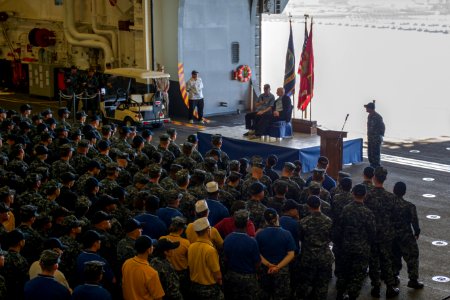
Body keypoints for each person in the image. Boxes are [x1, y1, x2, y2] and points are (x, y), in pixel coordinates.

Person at [334, 184, 376, 300]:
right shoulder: (368, 213)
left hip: (346, 247)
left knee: (343, 272)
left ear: (353, 194)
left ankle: (339, 294)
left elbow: (340, 228)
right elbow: (372, 233)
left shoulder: (346, 209)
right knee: (357, 275)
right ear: (365, 195)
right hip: (361, 249)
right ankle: (352, 296)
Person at [297, 196, 334, 300]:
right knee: (322, 285)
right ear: (320, 205)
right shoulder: (328, 221)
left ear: (308, 206)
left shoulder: (303, 222)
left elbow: (300, 238)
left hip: (308, 257)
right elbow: (331, 238)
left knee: (305, 283)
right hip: (324, 257)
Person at [256, 208, 295, 300]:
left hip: (265, 271)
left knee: (264, 295)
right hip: (282, 272)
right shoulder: (287, 234)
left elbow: (257, 253)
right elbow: (291, 254)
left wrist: (269, 265)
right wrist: (277, 267)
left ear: (265, 220)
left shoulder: (259, 234)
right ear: (277, 217)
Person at [391, 181, 423, 289]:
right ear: (404, 192)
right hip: (405, 236)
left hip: (391, 235)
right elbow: (415, 222)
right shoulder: (409, 206)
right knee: (412, 256)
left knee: (394, 256)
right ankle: (413, 280)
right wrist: (417, 232)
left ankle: (394, 277)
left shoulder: (388, 203)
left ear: (393, 190)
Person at [223, 209, 261, 300]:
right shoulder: (252, 241)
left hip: (231, 277)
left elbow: (225, 258)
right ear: (247, 223)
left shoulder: (227, 238)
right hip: (248, 279)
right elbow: (257, 263)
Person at [187, 217, 223, 300]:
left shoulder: (191, 247)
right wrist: (220, 282)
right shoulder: (210, 250)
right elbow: (217, 274)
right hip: (209, 290)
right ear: (208, 231)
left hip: (194, 287)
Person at [122, 235, 165, 300]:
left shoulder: (126, 263)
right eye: (152, 246)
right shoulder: (151, 273)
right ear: (149, 250)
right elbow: (158, 297)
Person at [364, 101, 385, 168]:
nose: (366, 109)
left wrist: (380, 136)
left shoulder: (378, 117)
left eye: (367, 107)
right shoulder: (369, 116)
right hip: (370, 138)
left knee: (375, 154)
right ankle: (372, 165)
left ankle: (376, 167)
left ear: (370, 108)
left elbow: (383, 127)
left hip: (376, 139)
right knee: (370, 153)